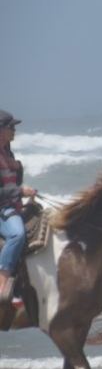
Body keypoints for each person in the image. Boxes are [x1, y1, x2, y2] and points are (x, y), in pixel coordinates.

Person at [0, 110, 37, 305]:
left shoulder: (7, 153)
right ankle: (2, 282)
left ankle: (24, 284)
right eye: (11, 127)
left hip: (12, 205)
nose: (14, 131)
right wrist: (21, 192)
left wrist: (18, 168)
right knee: (17, 235)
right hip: (2, 208)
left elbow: (12, 184)